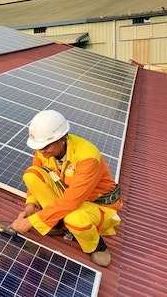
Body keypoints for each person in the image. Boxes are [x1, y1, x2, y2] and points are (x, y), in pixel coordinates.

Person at [9, 110, 122, 267]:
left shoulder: (87, 157)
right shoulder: (44, 152)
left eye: (46, 146)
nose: (41, 150)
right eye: (39, 146)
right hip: (69, 197)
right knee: (31, 174)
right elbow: (36, 182)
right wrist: (30, 205)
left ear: (62, 139)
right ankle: (56, 223)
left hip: (97, 205)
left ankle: (96, 246)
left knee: (74, 218)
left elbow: (72, 200)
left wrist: (32, 222)